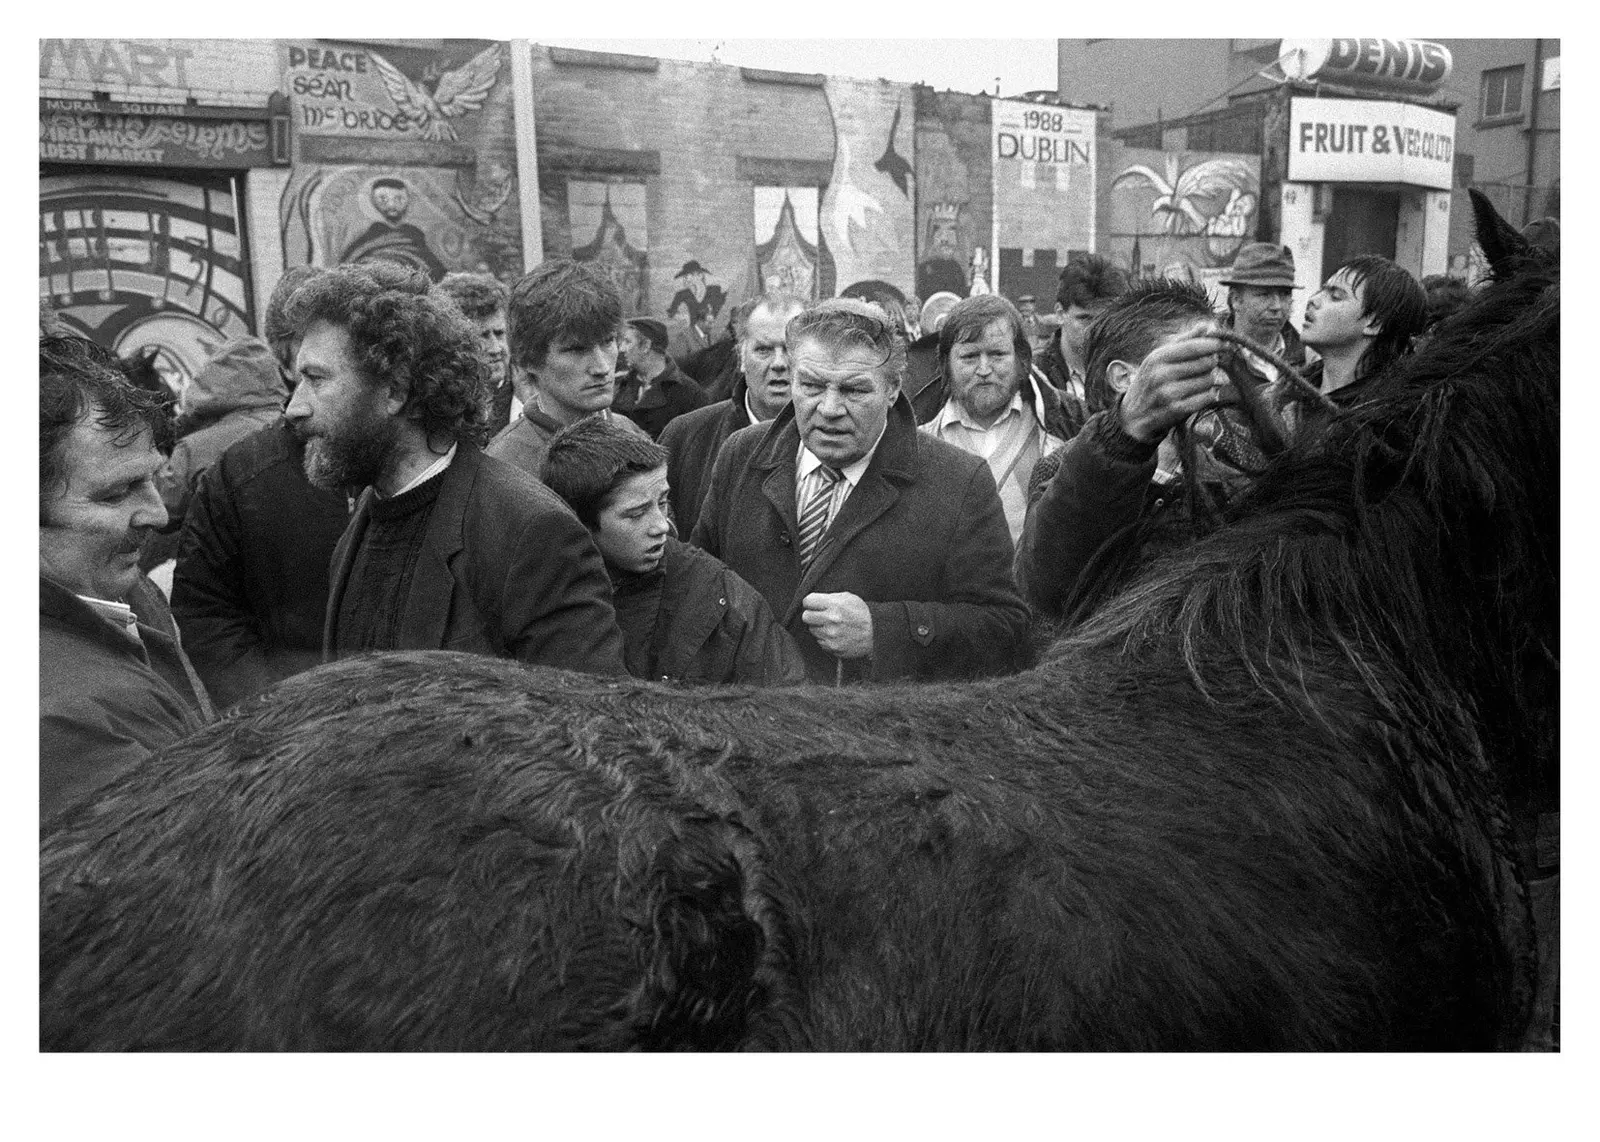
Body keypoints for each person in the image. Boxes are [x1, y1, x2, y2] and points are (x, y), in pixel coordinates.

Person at [281, 264, 626, 675]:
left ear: (394, 390)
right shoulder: (362, 524)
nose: (294, 408)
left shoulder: (529, 533)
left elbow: (590, 720)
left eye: (316, 379)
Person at [691, 298, 1030, 684]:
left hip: (871, 734)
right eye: (812, 386)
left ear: (892, 389)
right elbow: (698, 589)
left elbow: (1005, 629)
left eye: (854, 390)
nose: (830, 408)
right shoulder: (742, 455)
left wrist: (883, 632)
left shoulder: (959, 482)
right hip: (750, 724)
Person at [41, 334, 213, 821]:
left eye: (152, 479)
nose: (158, 515)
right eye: (118, 493)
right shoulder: (61, 724)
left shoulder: (125, 591)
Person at [170, 266, 354, 710]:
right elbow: (206, 609)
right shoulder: (241, 474)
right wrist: (270, 709)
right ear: (287, 358)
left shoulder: (424, 461)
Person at [1014, 278, 1232, 628]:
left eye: (1215, 361)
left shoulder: (1231, 468)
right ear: (1123, 377)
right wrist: (1125, 437)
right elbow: (1046, 587)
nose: (1212, 377)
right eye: (1188, 359)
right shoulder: (1060, 467)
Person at [541, 417, 807, 685]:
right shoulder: (536, 589)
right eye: (636, 514)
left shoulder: (718, 594)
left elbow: (786, 692)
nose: (661, 525)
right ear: (578, 522)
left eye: (663, 501)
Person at [919, 295, 1074, 544]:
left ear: (1022, 361)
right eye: (969, 357)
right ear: (945, 364)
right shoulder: (920, 442)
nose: (983, 369)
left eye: (997, 355)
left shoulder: (1059, 430)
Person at [657, 292, 807, 539]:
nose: (779, 363)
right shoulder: (685, 437)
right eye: (764, 349)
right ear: (741, 357)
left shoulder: (834, 438)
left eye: (791, 349)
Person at [487, 259, 646, 481]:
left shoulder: (631, 435)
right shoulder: (504, 468)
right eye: (576, 349)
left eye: (608, 341)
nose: (601, 367)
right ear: (529, 360)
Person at [1297, 254, 1428, 400]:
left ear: (1375, 323)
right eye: (1321, 291)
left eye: (1335, 296)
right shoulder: (1280, 398)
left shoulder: (1385, 414)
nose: (1313, 300)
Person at [1035, 255, 1132, 438]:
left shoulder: (1130, 374)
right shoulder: (1035, 375)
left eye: (1103, 320)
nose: (1095, 330)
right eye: (1085, 318)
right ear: (1059, 313)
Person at [1217, 243, 1307, 389]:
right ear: (1236, 300)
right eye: (1264, 294)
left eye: (1285, 294)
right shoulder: (1211, 357)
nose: (1277, 306)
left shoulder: (1308, 360)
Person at [437, 271, 514, 435]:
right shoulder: (442, 408)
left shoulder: (524, 399)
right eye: (483, 336)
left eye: (500, 333)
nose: (496, 348)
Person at [612, 316, 710, 439]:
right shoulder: (619, 385)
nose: (621, 349)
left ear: (646, 346)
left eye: (627, 341)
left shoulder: (689, 394)